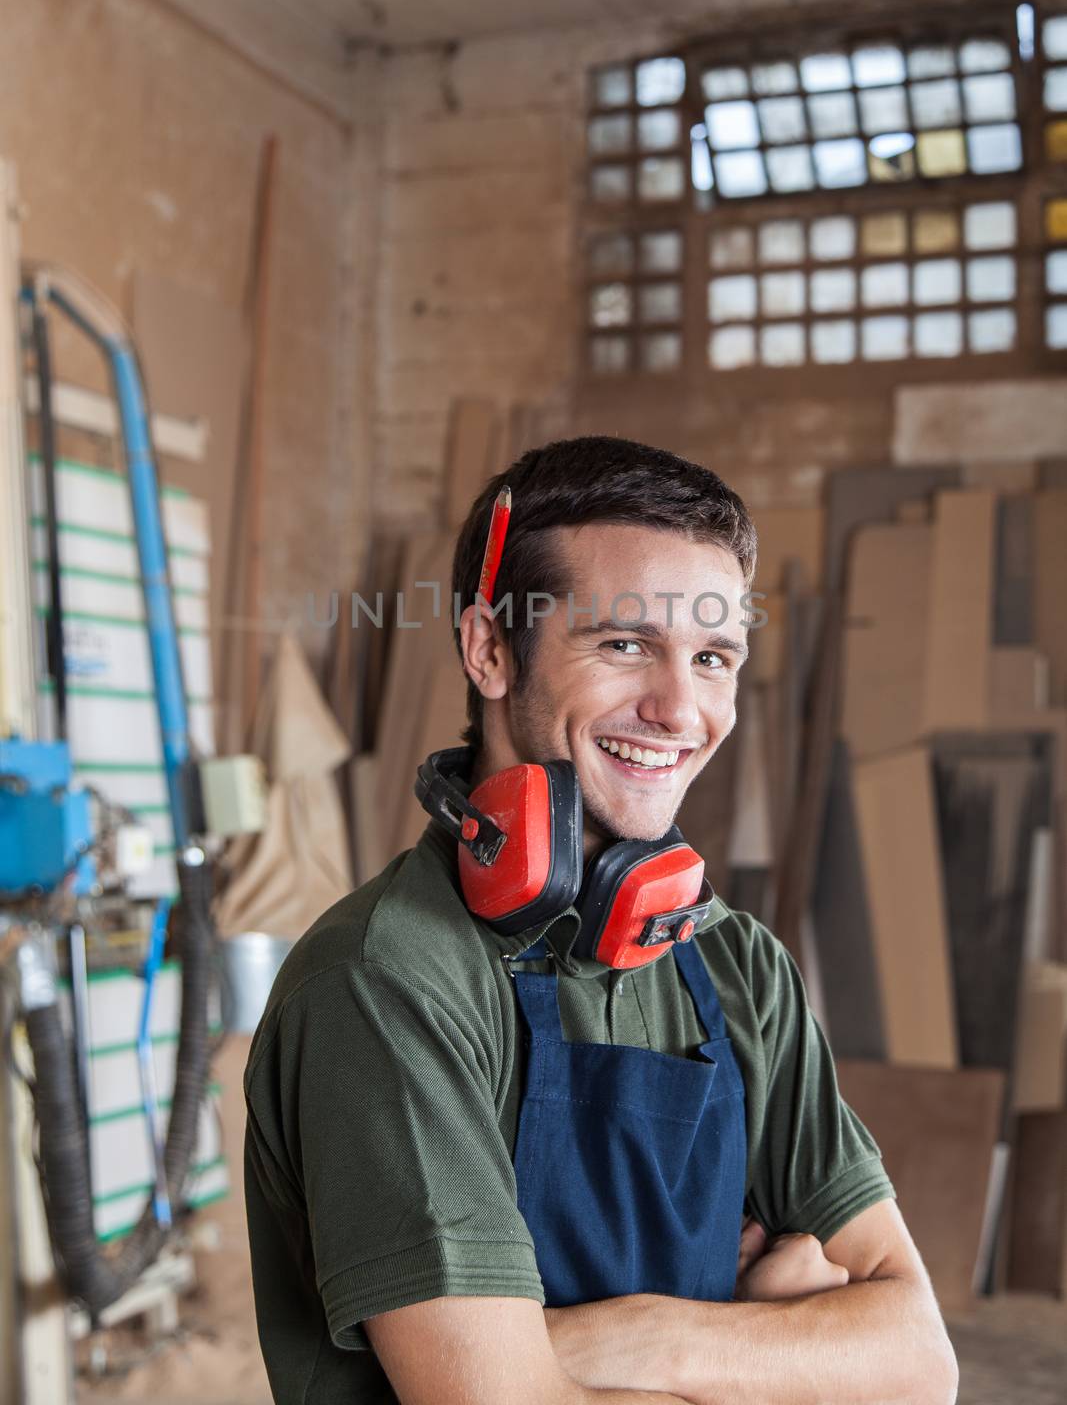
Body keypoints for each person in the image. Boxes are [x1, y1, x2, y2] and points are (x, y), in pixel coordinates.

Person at [243, 435, 959, 1405]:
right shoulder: (386, 979)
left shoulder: (736, 964)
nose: (678, 707)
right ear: (488, 648)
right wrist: (778, 1345)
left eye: (712, 657)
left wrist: (647, 1336)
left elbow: (916, 1361)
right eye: (624, 644)